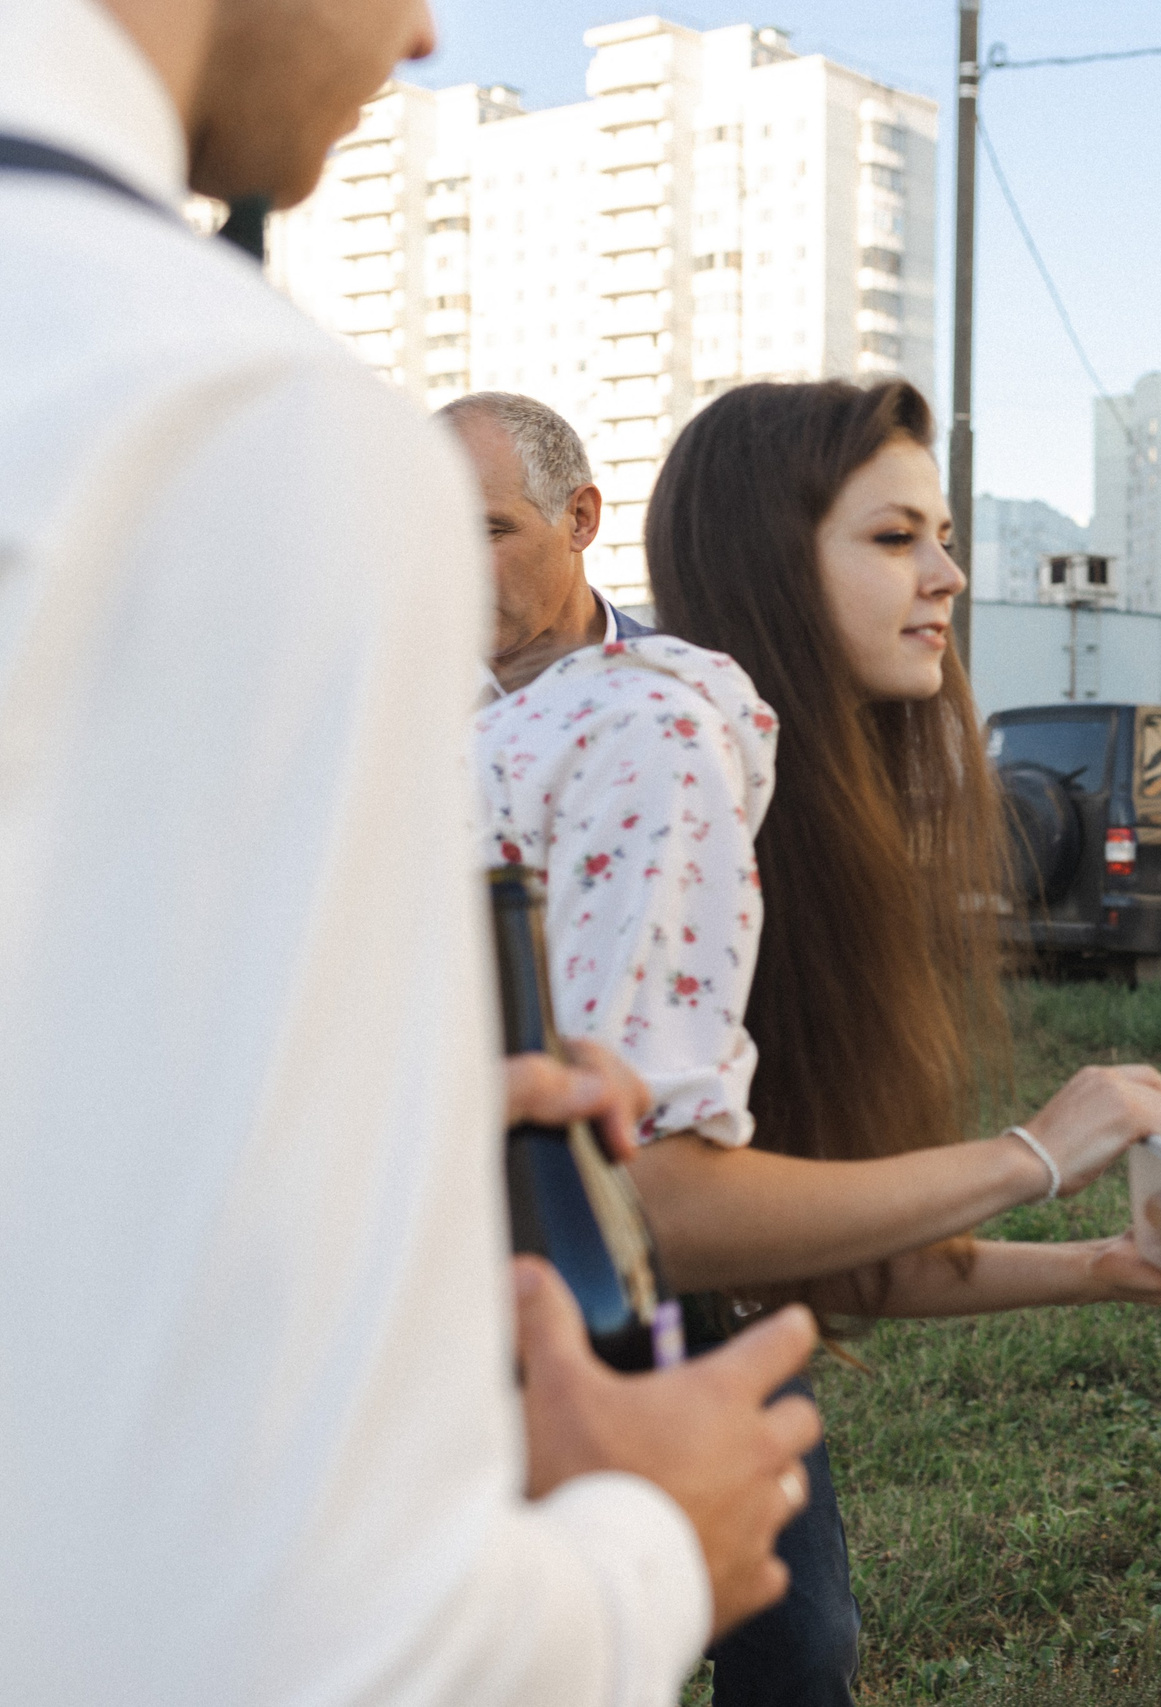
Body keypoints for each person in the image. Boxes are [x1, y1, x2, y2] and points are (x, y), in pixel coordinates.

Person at [0, 0, 836, 1701]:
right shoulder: (232, 419)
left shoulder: (648, 701)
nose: (427, 31)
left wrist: (396, 1103)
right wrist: (647, 1551)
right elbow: (312, 1622)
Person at [472, 374, 1161, 1704]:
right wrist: (1033, 1153)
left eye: (938, 535)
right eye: (894, 538)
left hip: (618, 1320)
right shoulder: (667, 724)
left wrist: (1112, 1264)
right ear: (775, 554)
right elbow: (656, 1201)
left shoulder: (761, 777)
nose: (945, 574)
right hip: (512, 1348)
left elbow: (807, 1248)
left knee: (799, 1636)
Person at [437, 390, 652, 696]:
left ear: (581, 518)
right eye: (432, 543)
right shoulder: (384, 710)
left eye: (487, 533)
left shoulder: (687, 688)